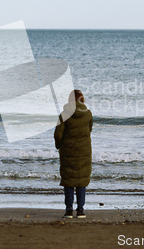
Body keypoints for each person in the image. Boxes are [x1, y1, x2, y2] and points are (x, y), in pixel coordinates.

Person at [54, 89, 93, 219]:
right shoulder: (88, 114)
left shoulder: (64, 114)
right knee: (81, 180)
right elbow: (89, 130)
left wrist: (59, 146)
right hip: (84, 151)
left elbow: (58, 135)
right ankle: (81, 210)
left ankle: (69, 210)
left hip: (68, 151)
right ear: (82, 100)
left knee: (68, 180)